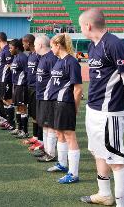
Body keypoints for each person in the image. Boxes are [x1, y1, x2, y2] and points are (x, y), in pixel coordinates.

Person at [79, 9, 124, 206]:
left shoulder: (114, 43)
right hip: (93, 109)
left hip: (109, 111)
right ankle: (104, 194)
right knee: (98, 152)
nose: (81, 29)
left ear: (88, 25)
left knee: (116, 160)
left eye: (81, 26)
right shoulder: (93, 45)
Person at [47, 33, 82, 184]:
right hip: (56, 102)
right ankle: (62, 164)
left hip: (66, 103)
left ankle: (73, 174)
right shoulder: (59, 61)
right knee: (59, 132)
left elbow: (78, 89)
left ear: (58, 45)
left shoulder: (72, 62)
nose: (51, 49)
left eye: (52, 46)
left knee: (69, 136)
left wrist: (74, 107)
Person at [34, 35, 59, 163]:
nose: (34, 47)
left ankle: (51, 153)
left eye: (35, 44)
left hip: (48, 97)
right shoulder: (43, 58)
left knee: (50, 126)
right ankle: (46, 150)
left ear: (41, 45)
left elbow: (55, 79)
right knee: (44, 125)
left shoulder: (51, 58)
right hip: (41, 96)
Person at [22, 34, 43, 151]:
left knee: (38, 115)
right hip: (30, 88)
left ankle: (40, 140)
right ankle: (35, 137)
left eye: (24, 43)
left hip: (37, 89)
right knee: (33, 115)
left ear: (28, 43)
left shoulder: (39, 56)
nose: (23, 45)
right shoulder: (30, 55)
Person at [9, 39, 29, 139]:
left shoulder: (23, 57)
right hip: (16, 85)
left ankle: (24, 131)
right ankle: (19, 128)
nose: (9, 50)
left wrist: (24, 85)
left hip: (21, 86)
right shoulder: (16, 57)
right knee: (17, 106)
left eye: (11, 48)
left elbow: (27, 72)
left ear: (16, 48)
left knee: (22, 107)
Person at [0, 32, 15, 131]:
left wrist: (8, 77)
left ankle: (11, 123)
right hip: (1, 79)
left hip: (6, 79)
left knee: (8, 100)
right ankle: (8, 121)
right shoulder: (2, 50)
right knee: (4, 100)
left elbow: (11, 64)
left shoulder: (7, 50)